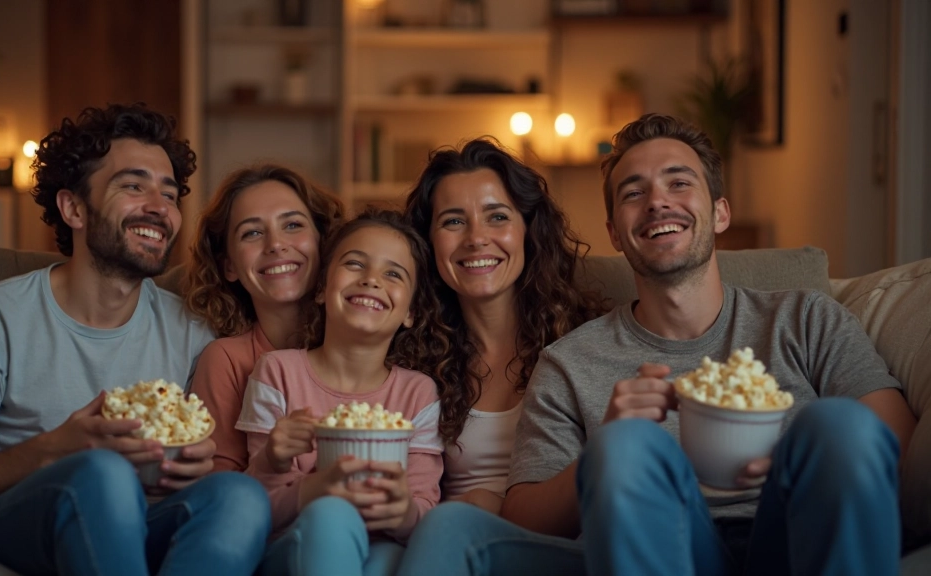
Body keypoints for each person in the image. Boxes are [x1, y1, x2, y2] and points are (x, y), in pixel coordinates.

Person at [399, 113, 917, 576]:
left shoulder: (805, 318)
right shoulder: (570, 362)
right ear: (614, 233)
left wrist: (793, 456)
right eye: (633, 192)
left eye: (678, 182)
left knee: (838, 423)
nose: (657, 202)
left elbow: (891, 439)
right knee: (626, 446)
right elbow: (524, 515)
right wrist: (603, 449)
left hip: (791, 531)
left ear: (719, 212)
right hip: (669, 543)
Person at [0, 103, 271, 576]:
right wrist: (57, 448)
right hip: (17, 522)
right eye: (133, 185)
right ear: (73, 208)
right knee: (102, 474)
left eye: (169, 194)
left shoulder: (191, 327)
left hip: (145, 522)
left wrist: (195, 462)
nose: (159, 207)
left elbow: (198, 453)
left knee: (240, 495)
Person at [241, 209, 448, 576]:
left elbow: (424, 510)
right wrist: (274, 459)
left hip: (383, 548)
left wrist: (403, 513)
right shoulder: (277, 372)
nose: (371, 280)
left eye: (393, 274)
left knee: (394, 561)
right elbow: (251, 512)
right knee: (331, 516)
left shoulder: (417, 393)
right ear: (321, 288)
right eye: (355, 264)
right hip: (295, 545)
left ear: (411, 312)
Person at [402, 137, 603, 514]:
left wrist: (488, 504)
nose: (477, 238)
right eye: (453, 221)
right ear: (427, 243)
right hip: (453, 542)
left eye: (497, 216)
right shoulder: (408, 355)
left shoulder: (586, 339)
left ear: (528, 230)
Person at [185, 164, 343, 473]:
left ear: (324, 242)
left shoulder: (369, 341)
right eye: (252, 233)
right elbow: (222, 490)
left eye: (293, 225)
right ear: (229, 265)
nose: (275, 244)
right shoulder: (225, 361)